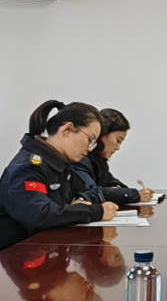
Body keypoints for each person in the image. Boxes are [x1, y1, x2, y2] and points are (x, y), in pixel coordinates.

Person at [0, 101, 119, 250]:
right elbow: (39, 214)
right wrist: (96, 212)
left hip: (48, 249)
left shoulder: (61, 166)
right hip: (16, 254)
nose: (90, 149)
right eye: (89, 140)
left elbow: (88, 191)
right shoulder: (29, 167)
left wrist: (81, 201)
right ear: (67, 129)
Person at [72, 109, 154, 206]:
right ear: (102, 135)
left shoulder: (99, 162)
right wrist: (135, 194)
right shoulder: (80, 160)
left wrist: (117, 191)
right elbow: (93, 193)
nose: (118, 148)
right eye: (118, 140)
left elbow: (113, 183)